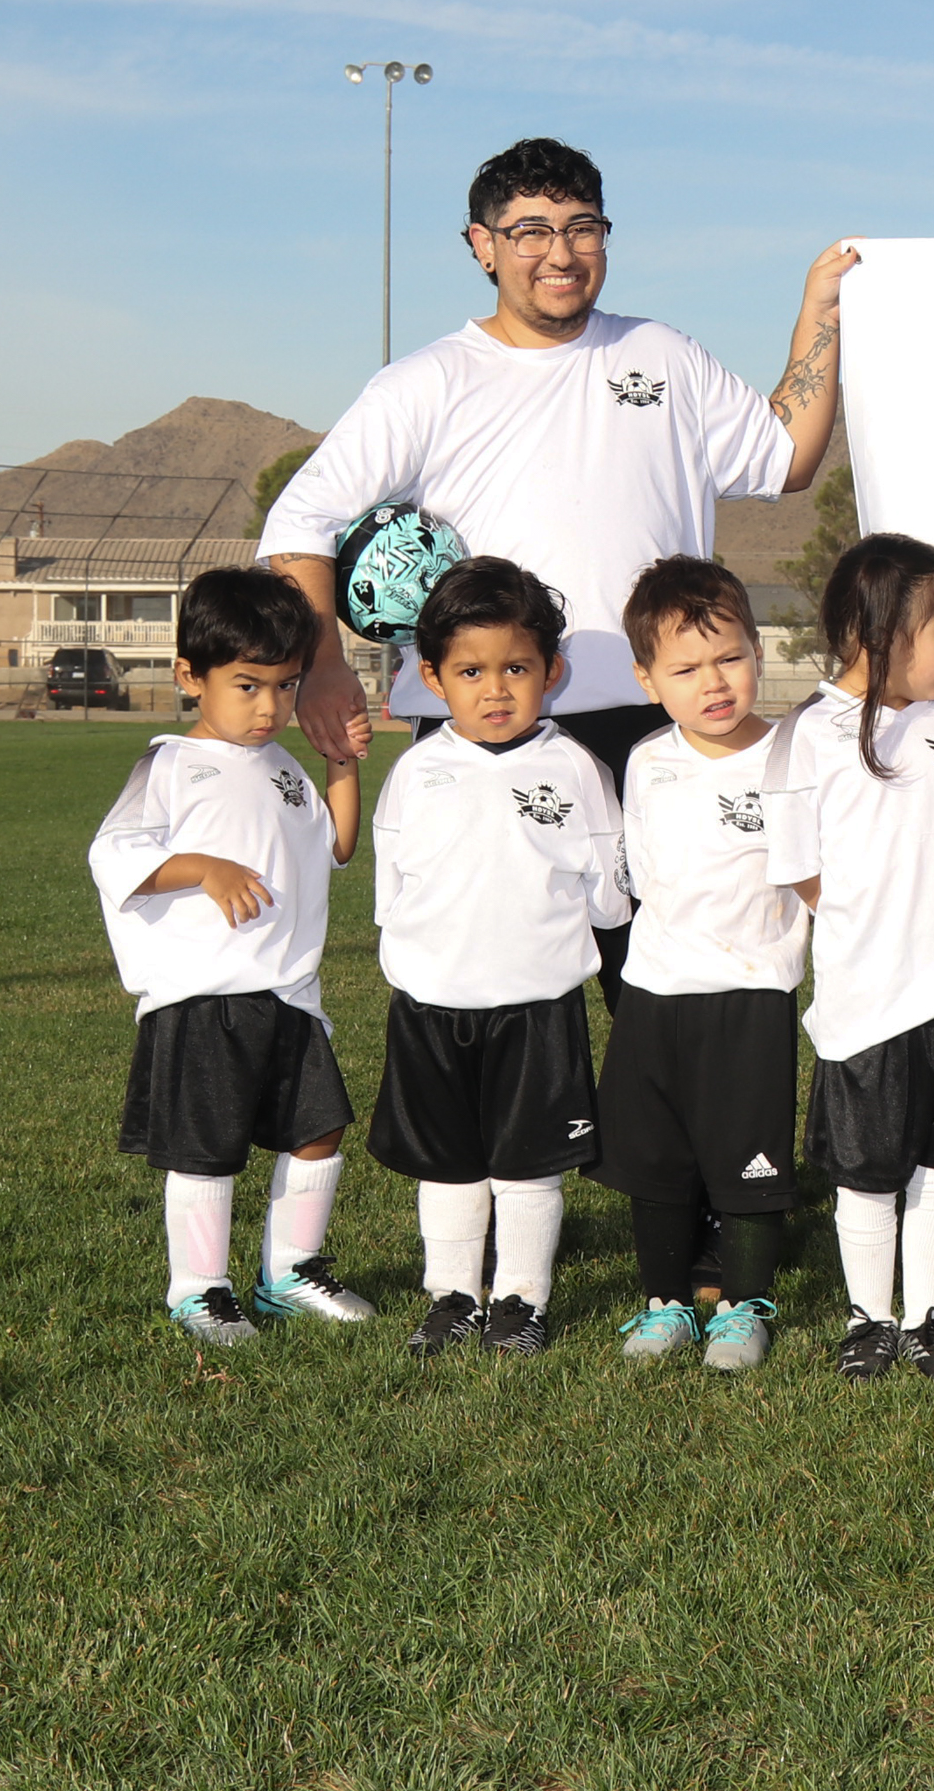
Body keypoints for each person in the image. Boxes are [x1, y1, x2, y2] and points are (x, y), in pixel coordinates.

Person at [256, 136, 857, 997]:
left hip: (663, 727)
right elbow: (300, 521)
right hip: (488, 734)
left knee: (678, 990)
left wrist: (820, 307)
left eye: (582, 228)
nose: (561, 253)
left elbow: (787, 456)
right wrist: (321, 667)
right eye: (530, 231)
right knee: (499, 998)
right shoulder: (426, 383)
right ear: (482, 245)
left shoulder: (662, 355)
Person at [90, 566, 373, 1344]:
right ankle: (199, 1290)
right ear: (191, 676)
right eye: (247, 686)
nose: (269, 708)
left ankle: (291, 1273)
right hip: (205, 992)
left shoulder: (283, 767)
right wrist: (203, 868)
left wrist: (341, 762)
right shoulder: (170, 765)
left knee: (319, 1130)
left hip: (288, 992)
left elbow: (337, 844)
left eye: (285, 687)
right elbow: (114, 852)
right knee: (207, 1151)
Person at [367, 559, 629, 1359]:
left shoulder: (575, 769)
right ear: (432, 678)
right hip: (432, 1004)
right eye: (471, 672)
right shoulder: (416, 772)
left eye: (516, 668)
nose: (495, 690)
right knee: (447, 1163)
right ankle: (452, 1297)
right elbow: (391, 886)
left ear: (552, 671)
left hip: (537, 1006)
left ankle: (521, 1301)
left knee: (528, 1164)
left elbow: (608, 890)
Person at [765, 535, 934, 1384]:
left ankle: (929, 1320)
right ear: (881, 634)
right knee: (867, 1172)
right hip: (870, 998)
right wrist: (874, 927)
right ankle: (870, 1319)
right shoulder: (808, 735)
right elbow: (799, 868)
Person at [588, 557, 808, 1374]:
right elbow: (643, 875)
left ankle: (744, 1306)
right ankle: (665, 1304)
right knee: (658, 1162)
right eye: (685, 670)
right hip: (655, 992)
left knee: (749, 1161)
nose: (713, 683)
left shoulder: (794, 757)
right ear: (648, 680)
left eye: (729, 658)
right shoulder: (647, 760)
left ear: (757, 651)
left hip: (751, 992)